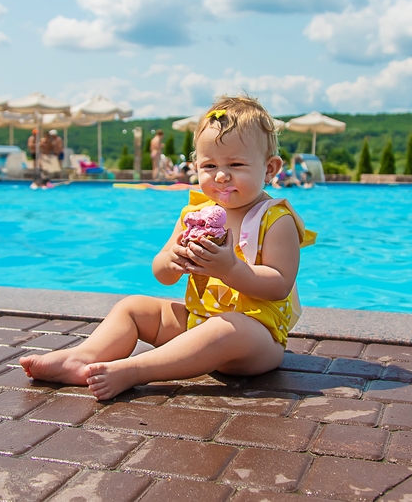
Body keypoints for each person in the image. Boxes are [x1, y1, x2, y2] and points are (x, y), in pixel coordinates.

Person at [20, 96, 315, 400]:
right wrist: (172, 260)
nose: (221, 175)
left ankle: (135, 369)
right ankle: (82, 357)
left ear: (269, 169)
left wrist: (231, 269)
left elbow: (279, 285)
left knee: (228, 327)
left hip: (255, 339)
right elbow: (162, 273)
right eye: (209, 165)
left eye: (236, 164)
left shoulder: (276, 219)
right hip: (197, 321)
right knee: (132, 307)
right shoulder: (194, 214)